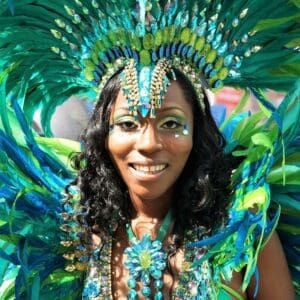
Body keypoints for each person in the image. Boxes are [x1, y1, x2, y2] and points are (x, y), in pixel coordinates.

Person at [0, 1, 299, 299]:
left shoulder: (242, 229)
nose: (148, 144)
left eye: (171, 123)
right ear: (104, 136)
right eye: (128, 124)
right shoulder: (73, 234)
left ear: (197, 132)